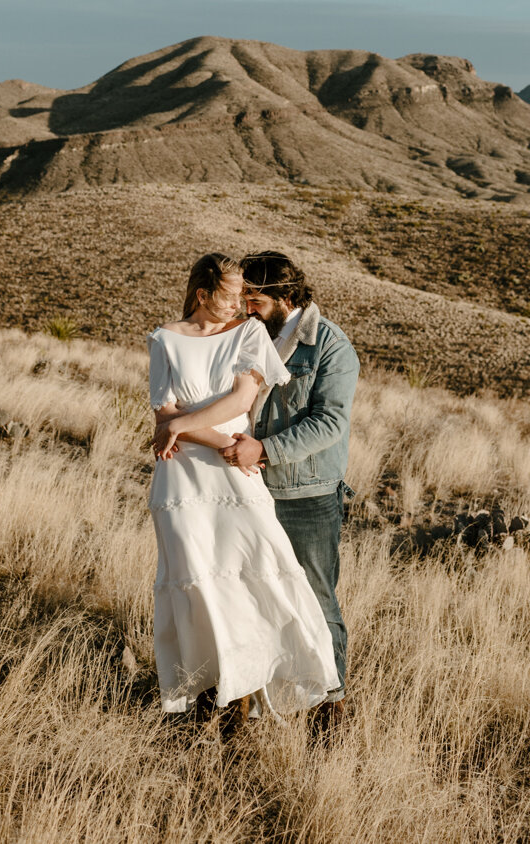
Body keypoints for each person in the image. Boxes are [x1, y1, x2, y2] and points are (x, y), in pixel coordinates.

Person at [147, 252, 338, 730]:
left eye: (246, 297)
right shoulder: (164, 339)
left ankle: (307, 693)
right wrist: (215, 440)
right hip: (185, 475)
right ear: (202, 294)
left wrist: (184, 427)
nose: (241, 306)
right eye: (231, 296)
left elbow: (240, 399)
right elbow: (162, 416)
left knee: (262, 575)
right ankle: (212, 702)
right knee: (198, 587)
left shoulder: (249, 333)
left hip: (238, 476)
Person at [220, 252, 359, 731]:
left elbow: (330, 422)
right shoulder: (249, 336)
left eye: (254, 299)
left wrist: (263, 450)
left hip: (307, 497)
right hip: (249, 490)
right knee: (252, 597)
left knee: (316, 599)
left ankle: (330, 709)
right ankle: (253, 704)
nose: (246, 307)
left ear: (284, 296)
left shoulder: (330, 346)